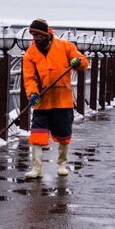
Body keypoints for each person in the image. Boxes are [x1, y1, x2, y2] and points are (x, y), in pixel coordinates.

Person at [21, 19, 89, 179]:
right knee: (37, 134)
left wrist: (78, 62)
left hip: (62, 101)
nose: (35, 38)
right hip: (42, 100)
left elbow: (84, 62)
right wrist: (32, 93)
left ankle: (62, 164)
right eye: (33, 34)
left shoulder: (65, 47)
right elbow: (29, 77)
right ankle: (36, 168)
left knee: (64, 135)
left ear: (46, 34)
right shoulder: (30, 54)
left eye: (38, 34)